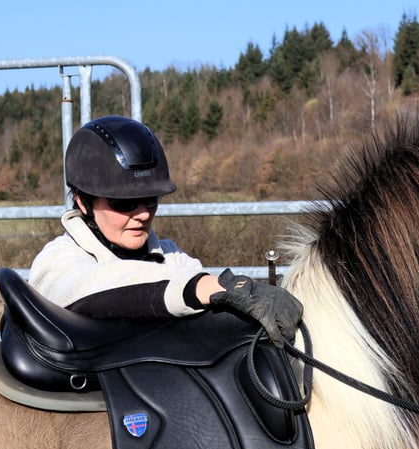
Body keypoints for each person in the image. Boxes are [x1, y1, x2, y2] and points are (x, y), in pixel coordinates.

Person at [28, 115, 302, 348]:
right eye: (123, 203)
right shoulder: (56, 261)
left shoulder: (170, 255)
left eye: (151, 200)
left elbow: (200, 292)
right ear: (82, 202)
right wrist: (208, 286)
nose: (143, 214)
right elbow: (100, 286)